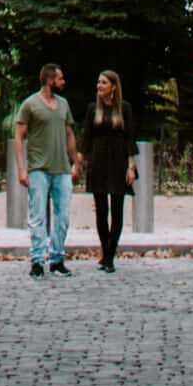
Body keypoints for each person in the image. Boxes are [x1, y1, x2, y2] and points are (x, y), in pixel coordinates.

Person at [14, 62, 80, 277]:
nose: (63, 82)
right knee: (37, 215)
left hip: (61, 168)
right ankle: (36, 260)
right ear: (50, 80)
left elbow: (69, 134)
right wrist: (22, 169)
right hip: (38, 168)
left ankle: (57, 258)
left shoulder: (63, 105)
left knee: (63, 216)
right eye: (60, 79)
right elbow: (18, 137)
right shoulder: (30, 104)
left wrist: (75, 163)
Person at [84, 67, 136, 271]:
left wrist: (131, 167)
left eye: (104, 83)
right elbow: (86, 138)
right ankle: (105, 251)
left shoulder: (125, 108)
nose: (99, 86)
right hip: (98, 160)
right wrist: (80, 162)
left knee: (117, 208)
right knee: (101, 210)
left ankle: (110, 256)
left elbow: (130, 138)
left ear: (113, 87)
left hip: (118, 161)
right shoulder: (92, 109)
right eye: (98, 82)